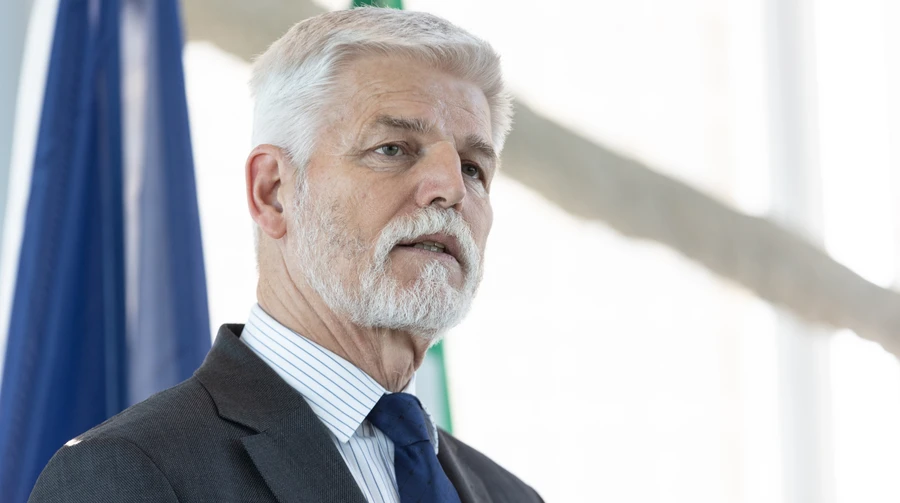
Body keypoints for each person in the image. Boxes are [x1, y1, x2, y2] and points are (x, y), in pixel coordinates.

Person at [29, 7, 542, 503]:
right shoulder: (128, 474)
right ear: (273, 191)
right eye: (393, 149)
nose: (451, 189)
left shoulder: (513, 496)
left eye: (473, 167)